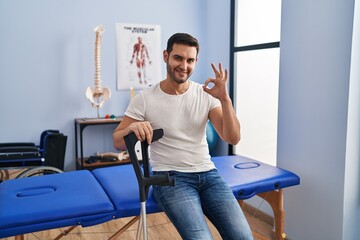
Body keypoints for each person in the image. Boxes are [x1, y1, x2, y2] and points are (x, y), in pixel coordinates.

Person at [113, 33, 253, 240]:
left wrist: (225, 98)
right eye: (178, 58)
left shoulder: (206, 94)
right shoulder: (145, 98)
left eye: (190, 60)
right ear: (165, 56)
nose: (183, 65)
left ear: (196, 61)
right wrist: (132, 127)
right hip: (170, 179)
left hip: (209, 176)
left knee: (243, 237)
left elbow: (233, 138)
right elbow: (117, 141)